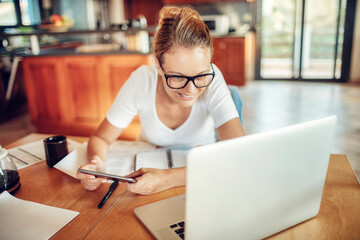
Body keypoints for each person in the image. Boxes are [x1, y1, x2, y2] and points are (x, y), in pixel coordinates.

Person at [77, 6, 245, 195]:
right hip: (148, 174)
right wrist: (96, 162)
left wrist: (167, 179)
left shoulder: (213, 79)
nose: (191, 90)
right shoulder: (142, 81)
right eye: (178, 77)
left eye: (200, 76)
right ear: (157, 64)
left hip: (199, 180)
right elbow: (101, 138)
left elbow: (239, 154)